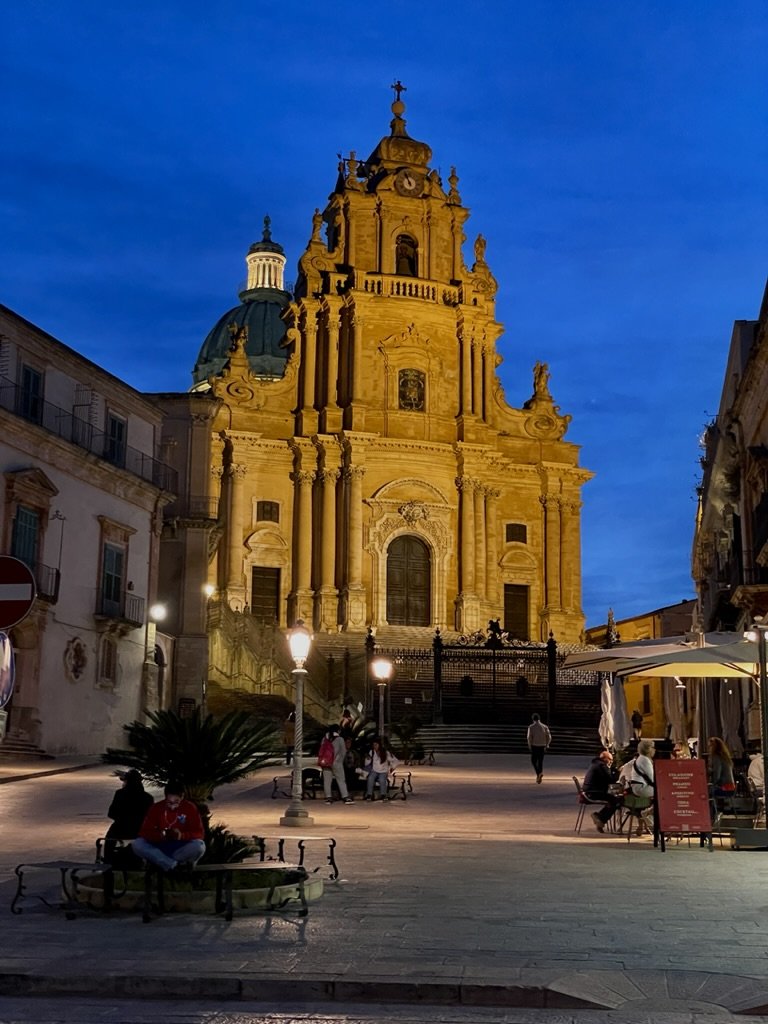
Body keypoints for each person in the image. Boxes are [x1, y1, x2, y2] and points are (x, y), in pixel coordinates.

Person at [131, 783, 206, 872]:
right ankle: (172, 864)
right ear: (165, 797)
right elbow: (144, 832)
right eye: (169, 802)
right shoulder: (156, 808)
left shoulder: (190, 808)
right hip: (160, 847)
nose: (172, 806)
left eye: (176, 802)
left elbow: (199, 833)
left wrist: (181, 835)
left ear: (182, 797)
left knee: (199, 846)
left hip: (181, 847)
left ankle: (164, 862)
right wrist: (161, 835)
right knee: (137, 844)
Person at [104, 769, 154, 864]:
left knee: (109, 839)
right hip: (140, 830)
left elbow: (111, 813)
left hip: (120, 829)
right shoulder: (148, 797)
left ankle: (108, 862)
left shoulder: (120, 794)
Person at [584, 750, 620, 833]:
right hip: (594, 792)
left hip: (589, 791)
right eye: (610, 760)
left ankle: (599, 817)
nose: (611, 762)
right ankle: (601, 818)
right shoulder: (601, 766)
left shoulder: (595, 764)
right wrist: (618, 772)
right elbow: (611, 780)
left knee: (613, 799)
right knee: (616, 800)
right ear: (604, 759)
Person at [321, 725, 354, 804]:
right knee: (341, 780)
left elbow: (321, 751)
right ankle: (345, 797)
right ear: (338, 731)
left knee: (327, 781)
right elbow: (343, 751)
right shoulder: (340, 739)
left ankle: (328, 798)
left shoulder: (324, 739)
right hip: (336, 763)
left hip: (325, 762)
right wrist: (339, 761)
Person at [364, 737, 399, 802]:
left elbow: (395, 761)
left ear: (379, 745)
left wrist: (392, 768)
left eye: (376, 745)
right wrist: (368, 758)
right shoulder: (371, 752)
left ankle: (383, 795)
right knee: (370, 778)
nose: (375, 747)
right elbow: (367, 763)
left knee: (382, 780)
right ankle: (369, 794)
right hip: (374, 770)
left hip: (383, 771)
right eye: (373, 745)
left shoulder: (386, 752)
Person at [526, 713, 551, 783]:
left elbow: (529, 737)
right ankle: (539, 776)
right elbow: (549, 737)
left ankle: (538, 773)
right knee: (540, 761)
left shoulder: (531, 727)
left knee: (533, 761)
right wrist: (547, 744)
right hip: (542, 746)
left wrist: (529, 745)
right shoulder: (545, 727)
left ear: (533, 719)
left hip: (534, 746)